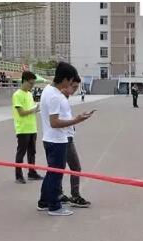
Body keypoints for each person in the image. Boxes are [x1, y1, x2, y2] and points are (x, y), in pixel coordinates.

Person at [37, 62, 94, 216]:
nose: (70, 85)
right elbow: (54, 122)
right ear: (65, 79)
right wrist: (77, 120)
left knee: (51, 172)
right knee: (56, 173)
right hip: (56, 140)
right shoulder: (55, 96)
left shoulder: (49, 90)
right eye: (70, 82)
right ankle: (54, 206)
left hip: (52, 138)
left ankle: (43, 201)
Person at [58, 77, 92, 208]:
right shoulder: (59, 99)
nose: (75, 90)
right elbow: (56, 121)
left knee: (60, 168)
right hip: (63, 139)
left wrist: (78, 118)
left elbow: (66, 119)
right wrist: (77, 120)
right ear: (66, 84)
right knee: (75, 167)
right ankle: (74, 195)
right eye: (74, 87)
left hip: (66, 137)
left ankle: (60, 193)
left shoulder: (63, 100)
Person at [12, 71, 43, 184]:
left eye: (33, 83)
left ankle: (32, 172)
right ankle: (18, 175)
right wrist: (34, 110)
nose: (32, 86)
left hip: (32, 128)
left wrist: (35, 108)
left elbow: (30, 109)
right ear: (24, 81)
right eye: (31, 83)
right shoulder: (17, 95)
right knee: (21, 152)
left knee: (32, 152)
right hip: (23, 129)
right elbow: (21, 112)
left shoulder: (29, 94)